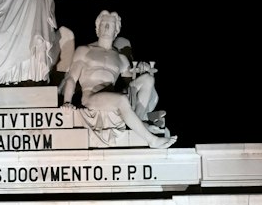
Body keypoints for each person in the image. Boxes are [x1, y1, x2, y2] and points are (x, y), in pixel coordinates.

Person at [61, 11, 176, 150]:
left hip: (112, 96)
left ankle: (137, 121)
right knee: (121, 100)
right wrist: (67, 102)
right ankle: (151, 140)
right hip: (91, 97)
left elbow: (131, 86)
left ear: (116, 30)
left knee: (147, 79)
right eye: (103, 24)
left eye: (110, 24)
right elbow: (71, 78)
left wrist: (141, 69)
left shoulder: (121, 58)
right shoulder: (84, 50)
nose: (107, 27)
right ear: (97, 27)